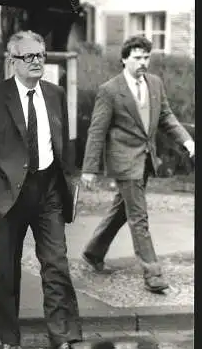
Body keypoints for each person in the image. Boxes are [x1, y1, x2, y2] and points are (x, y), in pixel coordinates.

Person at [0, 30, 89, 349]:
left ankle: (63, 341)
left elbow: (64, 141)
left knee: (57, 264)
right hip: (10, 194)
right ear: (12, 61)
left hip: (48, 190)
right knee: (8, 268)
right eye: (29, 57)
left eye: (41, 55)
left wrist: (70, 179)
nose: (37, 62)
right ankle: (10, 340)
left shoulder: (54, 94)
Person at [80, 35, 195, 293]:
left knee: (123, 209)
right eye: (137, 58)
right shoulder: (110, 90)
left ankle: (92, 252)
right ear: (124, 59)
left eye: (146, 57)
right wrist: (89, 168)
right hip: (124, 162)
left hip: (145, 160)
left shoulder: (154, 83)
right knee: (139, 217)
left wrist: (188, 142)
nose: (143, 62)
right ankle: (152, 274)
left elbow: (166, 117)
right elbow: (97, 131)